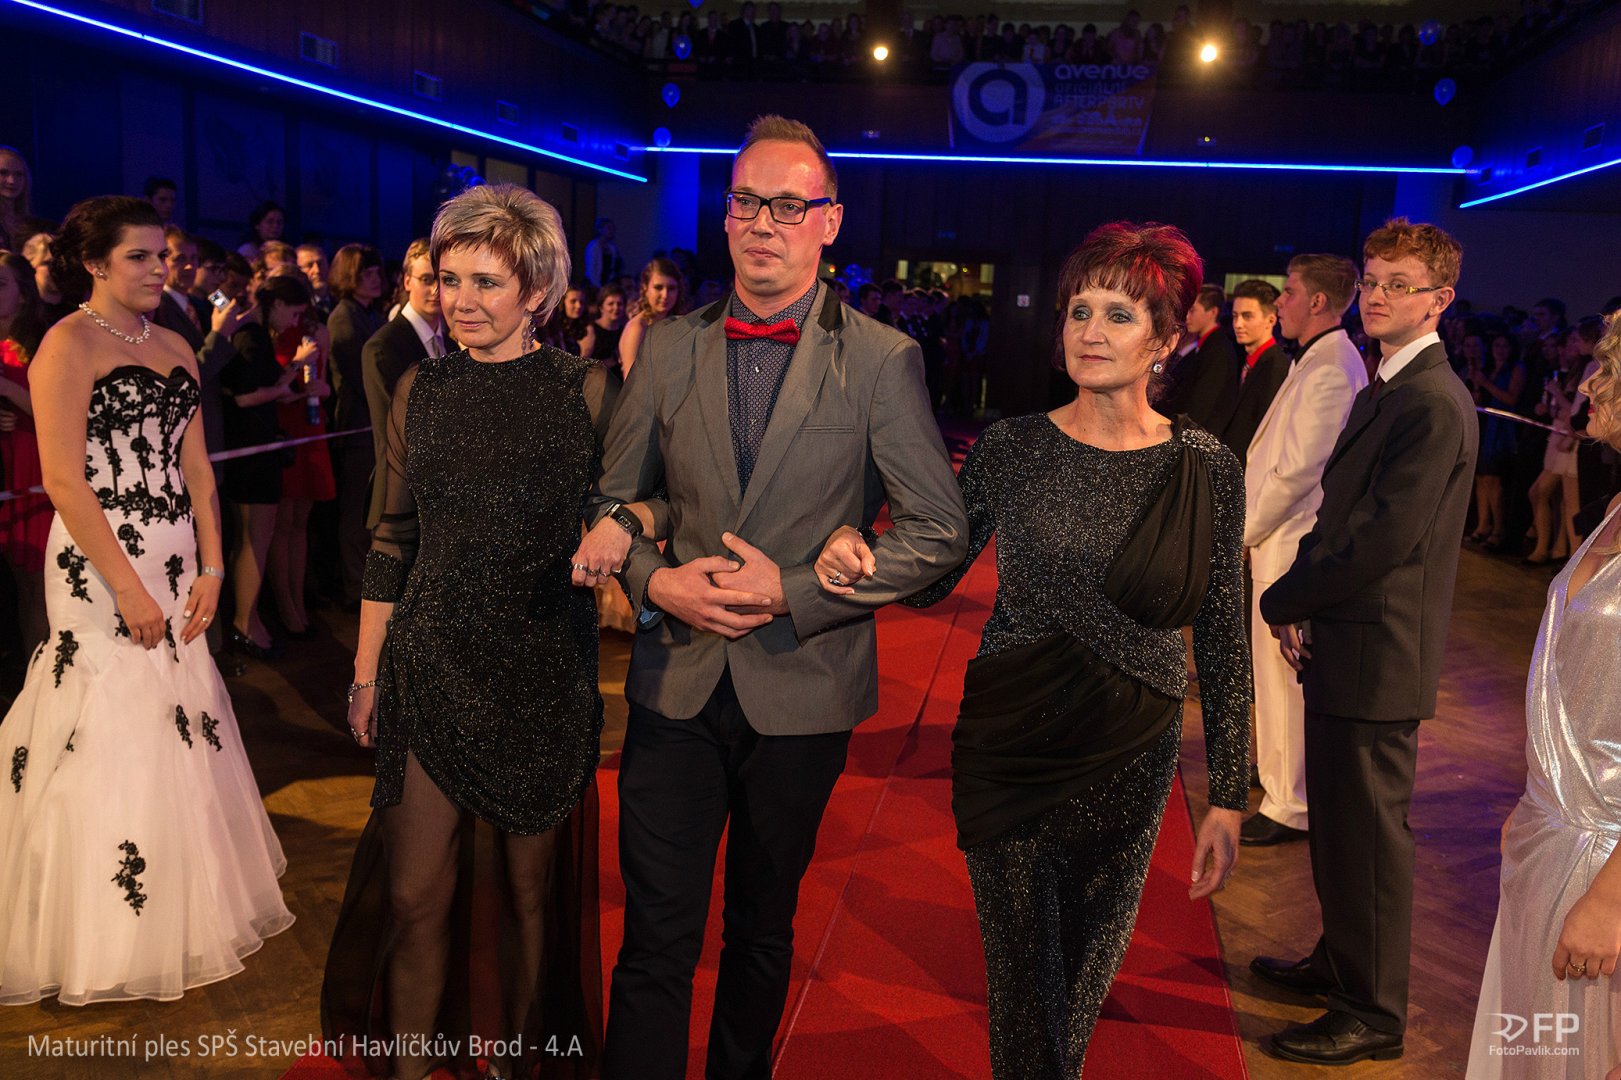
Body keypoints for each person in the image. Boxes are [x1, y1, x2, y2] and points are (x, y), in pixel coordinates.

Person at [818, 220, 1248, 1077]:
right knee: (1024, 988)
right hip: (1011, 741)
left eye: (1118, 315)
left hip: (1131, 750)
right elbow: (933, 579)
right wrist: (855, 545)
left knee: (1081, 978)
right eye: (1078, 311)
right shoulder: (1012, 446)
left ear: (1165, 339)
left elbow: (1223, 635)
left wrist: (1229, 794)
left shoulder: (1206, 466)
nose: (1090, 331)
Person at [587, 114, 967, 1080]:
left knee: (761, 928)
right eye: (749, 202)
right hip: (673, 682)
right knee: (655, 935)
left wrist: (793, 589)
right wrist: (654, 579)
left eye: (790, 206)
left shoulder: (881, 359)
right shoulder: (666, 348)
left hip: (803, 688)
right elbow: (613, 498)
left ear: (829, 222)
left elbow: (937, 531)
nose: (765, 222)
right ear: (725, 216)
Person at [321, 183, 660, 1080]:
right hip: (429, 660)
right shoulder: (420, 388)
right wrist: (367, 673)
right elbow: (391, 540)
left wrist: (621, 522)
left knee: (528, 901)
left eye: (484, 282)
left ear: (536, 291)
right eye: (448, 280)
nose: (459, 301)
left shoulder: (588, 389)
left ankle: (517, 1063)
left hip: (542, 669)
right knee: (412, 895)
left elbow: (654, 497)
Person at [0, 195, 292, 1006]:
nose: (160, 268)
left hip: (176, 560)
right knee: (110, 722)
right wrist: (127, 586)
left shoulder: (174, 344)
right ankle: (102, 932)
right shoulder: (66, 343)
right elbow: (63, 480)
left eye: (162, 255)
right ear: (94, 263)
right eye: (140, 256)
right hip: (98, 567)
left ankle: (179, 910)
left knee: (179, 717)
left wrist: (212, 567)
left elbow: (197, 470)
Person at [1254, 218, 1477, 1064]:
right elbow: (1336, 514)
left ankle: (1372, 1014)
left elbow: (1380, 538)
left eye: (1397, 285)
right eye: (1373, 281)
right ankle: (1339, 963)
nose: (1377, 297)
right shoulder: (1387, 385)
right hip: (1346, 637)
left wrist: (1283, 596)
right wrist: (1303, 602)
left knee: (1370, 841)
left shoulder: (1430, 400)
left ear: (1438, 300)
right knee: (1342, 830)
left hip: (1379, 652)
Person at [1466, 313, 1621, 1077]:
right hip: (1548, 835)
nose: (1588, 383)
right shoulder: (1614, 505)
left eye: (1608, 369)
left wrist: (1611, 899)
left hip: (1604, 865)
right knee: (1533, 1048)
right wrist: (1537, 800)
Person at [1240, 254, 1367, 848]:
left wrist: (1241, 532)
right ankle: (1275, 775)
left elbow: (1297, 472)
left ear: (1318, 301)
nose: (1280, 302)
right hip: (1280, 538)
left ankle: (1290, 803)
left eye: (1288, 292)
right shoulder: (1318, 359)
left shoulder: (1332, 367)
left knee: (1282, 680)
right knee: (1271, 678)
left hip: (1290, 543)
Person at [224, 276, 308, 657]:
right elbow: (245, 397)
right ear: (277, 305)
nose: (294, 322)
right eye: (294, 313)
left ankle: (249, 620)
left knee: (252, 540)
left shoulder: (253, 334)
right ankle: (245, 623)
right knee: (254, 541)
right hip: (252, 451)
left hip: (253, 449)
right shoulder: (252, 336)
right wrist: (291, 374)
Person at [361, 237, 442, 530]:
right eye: (426, 279)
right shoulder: (383, 346)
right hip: (401, 505)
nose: (436, 289)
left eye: (445, 280)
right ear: (407, 281)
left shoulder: (453, 342)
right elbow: (397, 433)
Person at [324, 244, 386, 609]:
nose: (375, 279)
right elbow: (362, 378)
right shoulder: (344, 318)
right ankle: (354, 588)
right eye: (367, 273)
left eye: (377, 272)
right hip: (356, 427)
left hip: (370, 426)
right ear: (350, 276)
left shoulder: (369, 314)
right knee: (355, 513)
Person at [0, 251, 51, 656]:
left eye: (1, 284)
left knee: (41, 586)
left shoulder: (43, 343)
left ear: (23, 294)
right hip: (5, 467)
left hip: (36, 463)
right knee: (18, 583)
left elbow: (59, 410)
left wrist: (7, 389)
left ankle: (49, 673)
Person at [1467, 333, 1530, 550]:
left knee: (1494, 479)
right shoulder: (1489, 367)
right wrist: (1477, 385)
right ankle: (1482, 525)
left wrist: (1485, 383)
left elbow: (1511, 398)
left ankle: (1498, 528)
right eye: (1496, 345)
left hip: (1503, 429)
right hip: (1486, 426)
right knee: (1481, 478)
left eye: (1504, 346)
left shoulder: (1516, 368)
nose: (1500, 350)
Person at [1220, 278, 1289, 461]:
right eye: (1235, 316)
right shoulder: (1249, 361)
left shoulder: (1275, 367)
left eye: (1247, 316)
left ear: (1271, 320)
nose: (1238, 324)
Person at [1160, 284, 1240, 435]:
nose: (1187, 317)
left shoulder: (1218, 349)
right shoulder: (1207, 346)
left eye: (1193, 310)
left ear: (1213, 312)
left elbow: (1203, 404)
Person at [616, 257, 683, 379]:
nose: (665, 295)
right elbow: (632, 383)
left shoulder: (677, 323)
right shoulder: (637, 328)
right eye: (658, 287)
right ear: (645, 288)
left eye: (671, 288)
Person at [584, 282, 626, 366]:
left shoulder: (625, 330)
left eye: (619, 304)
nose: (616, 308)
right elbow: (584, 362)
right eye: (611, 304)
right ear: (601, 308)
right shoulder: (591, 330)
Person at [583, 216, 624, 288]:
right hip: (592, 284)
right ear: (600, 229)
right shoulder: (593, 247)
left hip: (607, 283)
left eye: (613, 228)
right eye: (608, 228)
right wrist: (597, 287)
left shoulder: (612, 248)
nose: (612, 231)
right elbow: (592, 270)